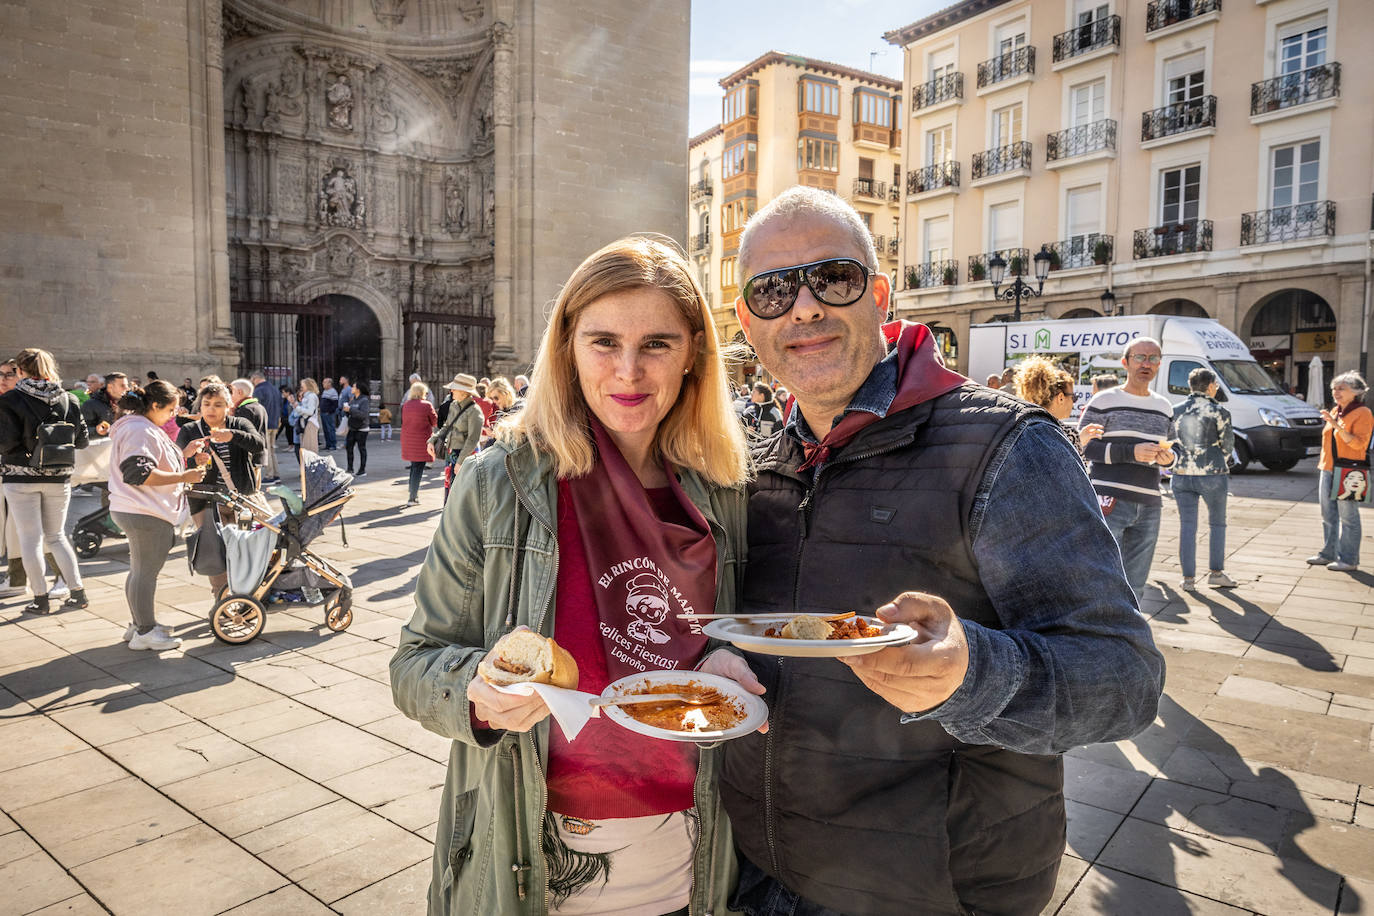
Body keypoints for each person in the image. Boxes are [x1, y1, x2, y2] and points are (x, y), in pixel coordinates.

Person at [719, 187, 1163, 915]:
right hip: (763, 876)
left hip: (932, 892)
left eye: (833, 277)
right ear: (748, 322)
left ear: (881, 295)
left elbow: (1124, 679)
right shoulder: (761, 460)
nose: (802, 308)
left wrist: (970, 673)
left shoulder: (1007, 447)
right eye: (772, 290)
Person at [390, 235, 751, 916]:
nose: (629, 371)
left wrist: (731, 656)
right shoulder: (499, 483)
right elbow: (414, 666)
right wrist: (478, 692)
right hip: (530, 850)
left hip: (692, 849)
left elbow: (731, 636)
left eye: (657, 345)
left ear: (694, 354)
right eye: (603, 342)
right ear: (566, 349)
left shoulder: (724, 488)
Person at [109, 380, 207, 651]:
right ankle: (145, 631)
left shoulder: (139, 426)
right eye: (172, 409)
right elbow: (137, 473)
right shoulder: (140, 430)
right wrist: (184, 475)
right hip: (143, 510)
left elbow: (151, 462)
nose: (174, 414)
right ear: (155, 405)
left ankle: (139, 624)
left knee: (140, 570)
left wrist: (184, 455)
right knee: (145, 573)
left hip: (137, 508)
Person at [1079, 337, 1176, 599]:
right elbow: (1085, 447)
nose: (1147, 363)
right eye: (1140, 357)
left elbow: (1173, 449)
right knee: (1102, 574)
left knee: (1137, 584)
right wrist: (1131, 452)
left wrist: (1168, 459)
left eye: (1153, 358)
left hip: (1149, 502)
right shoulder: (1103, 401)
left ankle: (1127, 637)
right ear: (1125, 362)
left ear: (1159, 364)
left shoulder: (1164, 406)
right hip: (1109, 500)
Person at [0, 348, 92, 614]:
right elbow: (82, 440)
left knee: (30, 539)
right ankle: (78, 592)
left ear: (20, 370)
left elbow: (6, 442)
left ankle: (40, 599)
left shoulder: (10, 399)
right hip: (58, 475)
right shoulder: (69, 399)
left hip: (20, 476)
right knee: (57, 536)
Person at [176, 383, 264, 597]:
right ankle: (222, 599)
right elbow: (176, 461)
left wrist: (233, 436)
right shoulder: (189, 430)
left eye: (217, 404)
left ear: (228, 406)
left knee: (244, 548)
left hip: (241, 502)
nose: (211, 409)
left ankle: (246, 595)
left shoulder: (240, 424)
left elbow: (259, 445)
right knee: (215, 551)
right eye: (206, 404)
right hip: (206, 503)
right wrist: (189, 456)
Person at [1171, 367, 1237, 590]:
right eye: (1215, 385)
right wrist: (1219, 460)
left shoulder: (1175, 410)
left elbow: (1171, 442)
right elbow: (1227, 446)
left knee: (1187, 526)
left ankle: (1188, 579)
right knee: (1217, 523)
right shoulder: (1219, 411)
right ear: (1210, 386)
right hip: (1212, 472)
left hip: (1181, 473)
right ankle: (1216, 573)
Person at [1309, 371, 1373, 571]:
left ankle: (1349, 559)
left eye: (1341, 389)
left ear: (1356, 392)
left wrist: (1336, 425)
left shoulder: (1363, 413)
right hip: (1327, 468)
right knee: (1327, 514)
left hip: (1349, 470)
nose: (1336, 392)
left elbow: (1359, 445)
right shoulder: (1336, 410)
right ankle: (1328, 553)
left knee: (1348, 516)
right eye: (1334, 388)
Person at [1013, 356, 1100, 457]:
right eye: (1073, 397)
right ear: (1061, 398)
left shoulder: (1019, 427)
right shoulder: (1065, 433)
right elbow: (1076, 470)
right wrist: (1077, 442)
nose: (1074, 403)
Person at [430, 374, 483, 502]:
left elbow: (473, 439)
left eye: (455, 388)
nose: (451, 390)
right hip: (451, 452)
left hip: (465, 454)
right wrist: (432, 440)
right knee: (450, 488)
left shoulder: (475, 411)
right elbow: (446, 426)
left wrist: (460, 461)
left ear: (464, 392)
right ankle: (448, 518)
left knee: (460, 492)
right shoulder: (454, 405)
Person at [400, 381, 437, 506]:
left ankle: (412, 493)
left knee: (413, 468)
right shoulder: (426, 405)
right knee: (418, 469)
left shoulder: (406, 405)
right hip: (422, 441)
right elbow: (435, 422)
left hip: (408, 439)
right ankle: (412, 497)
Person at [229, 379, 269, 481]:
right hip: (258, 456)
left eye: (231, 392)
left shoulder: (244, 410)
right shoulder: (259, 407)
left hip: (248, 458)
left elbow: (240, 435)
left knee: (248, 492)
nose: (229, 395)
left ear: (239, 392)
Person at [251, 371, 282, 483]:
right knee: (272, 450)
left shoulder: (258, 390)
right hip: (275, 422)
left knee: (267, 450)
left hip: (265, 424)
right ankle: (276, 474)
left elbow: (256, 408)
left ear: (255, 378)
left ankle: (270, 475)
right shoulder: (274, 388)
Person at [81, 372, 129, 438]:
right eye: (122, 385)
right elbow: (81, 431)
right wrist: (96, 431)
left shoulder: (128, 404)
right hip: (102, 447)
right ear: (110, 387)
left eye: (127, 385)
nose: (127, 388)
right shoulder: (90, 404)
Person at [343, 381, 372, 476]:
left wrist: (351, 409)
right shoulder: (353, 400)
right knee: (349, 448)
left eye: (354, 387)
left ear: (358, 390)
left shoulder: (364, 400)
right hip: (352, 427)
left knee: (361, 448)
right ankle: (350, 468)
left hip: (361, 428)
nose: (352, 388)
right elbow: (351, 413)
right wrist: (346, 410)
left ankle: (362, 470)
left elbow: (363, 415)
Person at [295, 378, 321, 457]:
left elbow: (310, 411)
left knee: (309, 447)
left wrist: (298, 408)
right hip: (307, 422)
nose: (301, 387)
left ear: (308, 386)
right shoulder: (307, 396)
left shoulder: (311, 396)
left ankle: (310, 467)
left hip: (310, 423)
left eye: (303, 385)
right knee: (306, 447)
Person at [319, 377, 339, 451]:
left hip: (329, 414)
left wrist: (329, 411)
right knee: (326, 430)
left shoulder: (333, 392)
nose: (323, 384)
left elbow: (335, 404)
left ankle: (333, 445)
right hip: (323, 413)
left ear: (329, 383)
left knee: (330, 429)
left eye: (325, 382)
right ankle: (328, 444)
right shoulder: (325, 391)